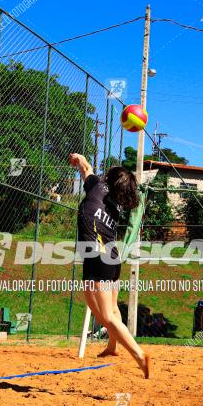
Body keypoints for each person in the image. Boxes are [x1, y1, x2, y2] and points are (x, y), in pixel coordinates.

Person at [69, 152, 150, 378]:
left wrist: (78, 157)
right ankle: (112, 347)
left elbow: (86, 169)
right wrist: (81, 160)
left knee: (107, 316)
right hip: (111, 257)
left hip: (98, 256)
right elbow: (87, 168)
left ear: (109, 181)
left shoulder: (97, 188)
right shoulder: (115, 204)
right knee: (108, 306)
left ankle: (139, 355)